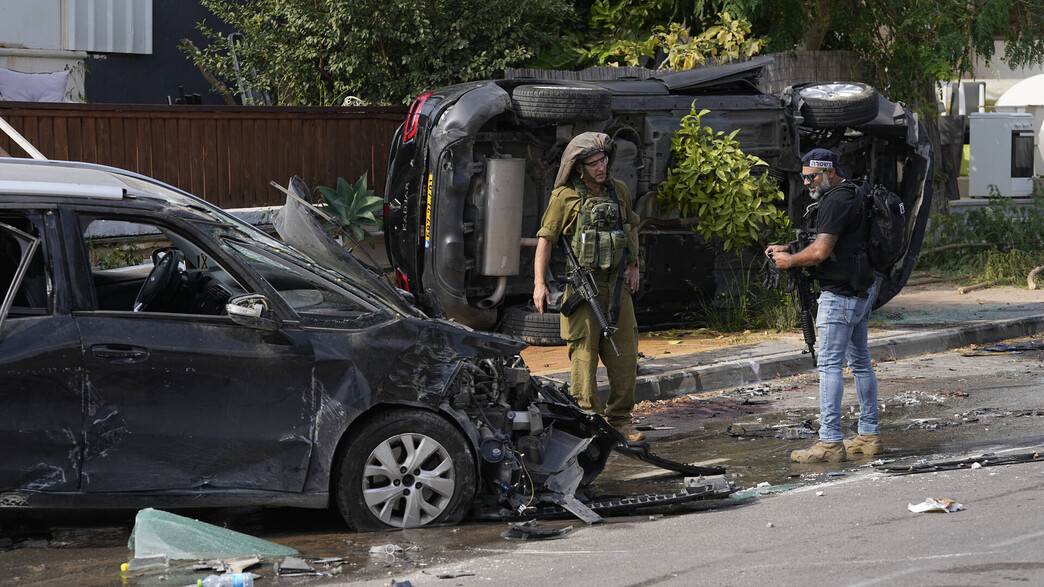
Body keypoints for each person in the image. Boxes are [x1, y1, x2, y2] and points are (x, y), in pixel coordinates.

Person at [765, 148, 883, 463]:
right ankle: (869, 436)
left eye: (810, 176)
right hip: (861, 288)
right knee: (860, 362)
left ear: (828, 171)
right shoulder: (854, 192)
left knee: (830, 366)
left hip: (840, 295)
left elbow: (820, 252)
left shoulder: (835, 200)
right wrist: (789, 246)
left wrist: (789, 260)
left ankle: (830, 442)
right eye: (803, 177)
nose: (806, 182)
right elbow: (835, 240)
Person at [532, 132, 645, 444]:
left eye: (603, 161)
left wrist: (635, 266)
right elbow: (546, 240)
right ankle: (590, 425)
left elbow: (632, 224)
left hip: (617, 288)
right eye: (593, 163)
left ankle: (620, 421)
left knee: (625, 360)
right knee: (583, 360)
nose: (601, 167)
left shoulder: (618, 191)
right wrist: (539, 284)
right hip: (583, 290)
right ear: (579, 167)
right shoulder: (565, 198)